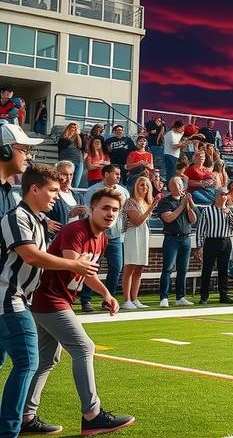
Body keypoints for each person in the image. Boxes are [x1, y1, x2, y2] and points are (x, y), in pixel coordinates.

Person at [23, 187, 135, 436]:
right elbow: (76, 265)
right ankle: (92, 415)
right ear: (91, 209)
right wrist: (106, 292)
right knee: (84, 348)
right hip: (48, 298)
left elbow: (86, 274)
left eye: (115, 210)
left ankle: (25, 416)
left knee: (46, 360)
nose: (110, 213)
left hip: (58, 299)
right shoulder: (75, 230)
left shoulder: (102, 238)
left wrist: (106, 294)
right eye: (105, 208)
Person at [0, 165, 98, 437]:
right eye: (52, 190)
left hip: (20, 299)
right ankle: (10, 428)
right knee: (28, 362)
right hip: (9, 299)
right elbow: (31, 256)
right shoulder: (17, 216)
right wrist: (73, 265)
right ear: (34, 189)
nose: (57, 195)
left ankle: (23, 420)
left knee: (26, 362)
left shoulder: (37, 220)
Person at [80, 166, 131, 313]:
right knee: (91, 268)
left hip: (115, 236)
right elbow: (87, 211)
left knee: (117, 267)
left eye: (119, 174)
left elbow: (124, 213)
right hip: (96, 234)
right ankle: (86, 300)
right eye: (116, 173)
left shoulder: (123, 191)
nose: (118, 176)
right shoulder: (93, 191)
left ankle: (108, 299)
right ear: (106, 174)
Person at [155, 177, 197, 307]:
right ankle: (164, 297)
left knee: (183, 269)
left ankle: (181, 297)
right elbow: (168, 218)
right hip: (171, 238)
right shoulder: (165, 202)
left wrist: (188, 206)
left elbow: (193, 219)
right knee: (168, 269)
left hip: (185, 238)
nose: (178, 187)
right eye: (175, 185)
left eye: (179, 184)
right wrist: (182, 206)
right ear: (170, 187)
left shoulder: (185, 201)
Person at [195, 186, 233, 304]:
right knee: (207, 270)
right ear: (216, 196)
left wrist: (229, 214)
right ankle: (204, 296)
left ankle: (223, 295)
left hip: (225, 241)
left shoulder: (230, 210)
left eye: (226, 194)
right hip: (211, 241)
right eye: (222, 194)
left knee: (223, 270)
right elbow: (201, 229)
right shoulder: (207, 210)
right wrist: (199, 246)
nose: (224, 197)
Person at [121, 175, 160, 309]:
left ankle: (135, 298)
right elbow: (136, 221)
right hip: (133, 234)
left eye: (147, 185)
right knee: (130, 267)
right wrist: (151, 207)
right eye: (142, 185)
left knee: (139, 268)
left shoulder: (145, 202)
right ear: (136, 186)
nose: (144, 188)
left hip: (143, 234)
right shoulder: (130, 202)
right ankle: (126, 300)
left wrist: (151, 205)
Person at [56, 122, 85, 190]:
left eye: (75, 128)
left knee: (75, 184)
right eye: (72, 127)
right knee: (64, 182)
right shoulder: (63, 138)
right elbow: (62, 147)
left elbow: (82, 147)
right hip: (66, 162)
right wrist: (70, 136)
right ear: (68, 128)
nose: (74, 129)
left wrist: (78, 135)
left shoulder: (80, 136)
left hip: (78, 161)